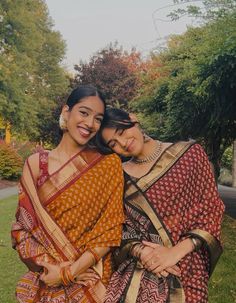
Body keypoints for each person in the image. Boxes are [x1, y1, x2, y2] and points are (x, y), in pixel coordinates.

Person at [96, 108, 225, 303]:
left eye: (121, 132)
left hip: (187, 264)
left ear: (133, 119)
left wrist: (174, 253)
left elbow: (212, 209)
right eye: (113, 143)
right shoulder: (118, 175)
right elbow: (116, 227)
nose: (123, 143)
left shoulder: (189, 155)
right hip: (140, 266)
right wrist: (143, 252)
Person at [11, 85, 125, 303]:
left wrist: (69, 272)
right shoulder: (36, 164)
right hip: (47, 281)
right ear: (66, 112)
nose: (90, 124)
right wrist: (54, 269)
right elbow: (21, 229)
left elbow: (110, 229)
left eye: (98, 118)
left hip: (90, 281)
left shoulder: (108, 164)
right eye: (84, 112)